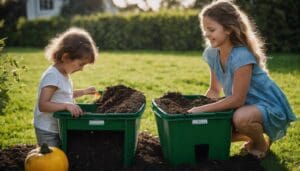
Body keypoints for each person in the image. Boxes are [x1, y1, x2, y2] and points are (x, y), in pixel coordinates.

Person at [188, 0, 296, 159]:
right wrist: (201, 114)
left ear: (229, 30)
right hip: (243, 105)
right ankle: (252, 135)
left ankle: (260, 145)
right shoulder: (212, 53)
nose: (206, 34)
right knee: (213, 128)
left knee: (240, 118)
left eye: (211, 29)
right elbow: (214, 90)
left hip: (267, 105)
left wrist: (201, 110)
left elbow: (237, 99)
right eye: (204, 29)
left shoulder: (242, 56)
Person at [34, 27, 99, 147]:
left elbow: (64, 95)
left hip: (58, 126)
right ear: (65, 57)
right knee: (51, 160)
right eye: (80, 64)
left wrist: (84, 92)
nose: (81, 69)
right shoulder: (53, 76)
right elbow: (43, 105)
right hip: (47, 130)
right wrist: (66, 105)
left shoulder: (63, 73)